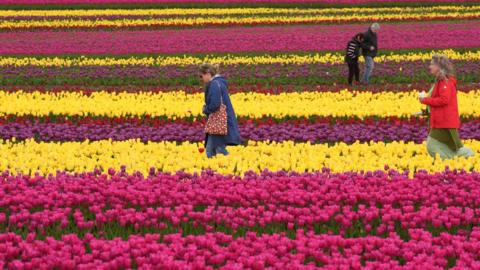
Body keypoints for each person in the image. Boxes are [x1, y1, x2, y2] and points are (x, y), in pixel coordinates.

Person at [418, 55, 474, 160]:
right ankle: (451, 162)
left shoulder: (445, 82)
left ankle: (469, 156)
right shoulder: (441, 81)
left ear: (439, 66)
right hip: (441, 121)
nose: (430, 67)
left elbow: (444, 100)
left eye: (432, 64)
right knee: (446, 147)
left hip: (445, 122)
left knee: (435, 145)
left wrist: (425, 100)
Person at [200, 63, 241, 158]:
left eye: (201, 76)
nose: (201, 79)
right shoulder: (220, 83)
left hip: (218, 122)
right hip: (221, 122)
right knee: (214, 148)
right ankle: (214, 169)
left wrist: (205, 109)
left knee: (216, 149)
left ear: (208, 73)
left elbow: (215, 104)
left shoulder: (214, 84)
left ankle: (230, 163)